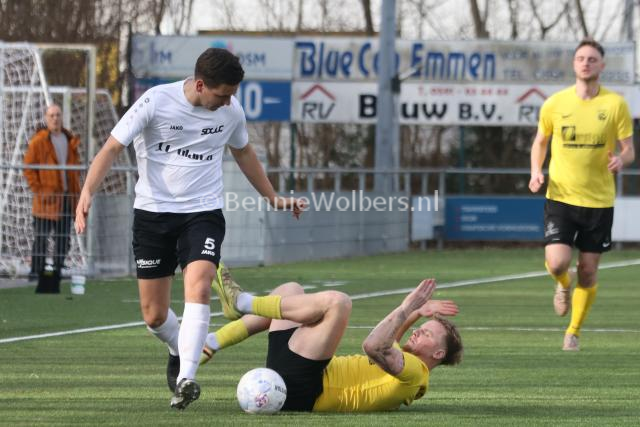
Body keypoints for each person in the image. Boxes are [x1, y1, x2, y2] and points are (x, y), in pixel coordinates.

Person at [74, 48, 304, 410]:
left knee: (199, 284)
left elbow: (244, 153)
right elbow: (112, 147)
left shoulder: (231, 111)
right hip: (152, 215)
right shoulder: (155, 101)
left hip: (202, 212)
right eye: (223, 94)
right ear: (199, 85)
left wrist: (273, 197)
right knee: (154, 315)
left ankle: (186, 378)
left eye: (232, 94)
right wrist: (87, 191)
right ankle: (176, 346)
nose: (228, 101)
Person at [203, 269, 463, 412]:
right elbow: (391, 341)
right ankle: (212, 341)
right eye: (420, 328)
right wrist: (415, 313)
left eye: (426, 334)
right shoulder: (404, 366)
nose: (417, 332)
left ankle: (242, 303)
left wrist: (406, 308)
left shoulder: (417, 371)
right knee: (290, 291)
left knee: (338, 303)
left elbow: (374, 346)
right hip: (301, 368)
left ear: (438, 354)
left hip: (306, 388)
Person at [529, 38, 635, 351]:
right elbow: (540, 142)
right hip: (561, 196)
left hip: (599, 201)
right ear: (574, 64)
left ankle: (573, 332)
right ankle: (563, 285)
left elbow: (629, 149)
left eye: (591, 59)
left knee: (588, 272)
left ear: (602, 65)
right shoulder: (555, 103)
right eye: (580, 58)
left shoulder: (615, 104)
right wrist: (536, 171)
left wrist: (621, 160)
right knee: (558, 263)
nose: (585, 63)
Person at [24, 104, 81, 280]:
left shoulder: (69, 139)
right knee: (41, 237)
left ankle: (56, 270)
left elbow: (74, 169)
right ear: (46, 118)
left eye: (58, 115)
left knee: (63, 238)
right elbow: (28, 167)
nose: (55, 118)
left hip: (66, 197)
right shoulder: (39, 141)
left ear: (61, 117)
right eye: (51, 115)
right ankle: (36, 272)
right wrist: (39, 189)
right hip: (46, 199)